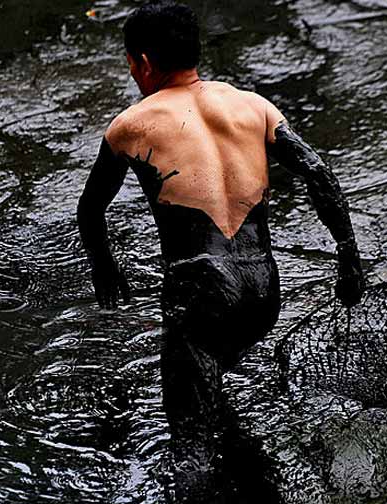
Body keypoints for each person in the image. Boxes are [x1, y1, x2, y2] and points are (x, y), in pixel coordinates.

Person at [76, 1, 364, 502]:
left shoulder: (130, 125)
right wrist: (348, 255)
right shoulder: (254, 105)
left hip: (202, 290)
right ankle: (256, 481)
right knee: (213, 390)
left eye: (131, 65)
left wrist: (105, 266)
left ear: (143, 63)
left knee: (190, 444)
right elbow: (318, 173)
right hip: (263, 289)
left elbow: (90, 208)